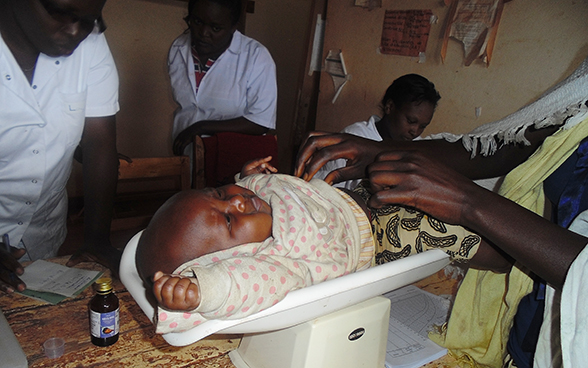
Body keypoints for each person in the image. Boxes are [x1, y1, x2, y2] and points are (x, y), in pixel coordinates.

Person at [294, 56, 588, 368]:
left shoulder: (406, 223)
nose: (416, 131)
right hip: (530, 318)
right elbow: (499, 148)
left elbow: (507, 259)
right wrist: (383, 152)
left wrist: (468, 203)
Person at [136, 157, 493, 334]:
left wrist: (249, 176)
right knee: (448, 228)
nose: (238, 201)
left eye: (218, 194)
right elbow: (238, 286)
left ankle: (488, 203)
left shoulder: (254, 197)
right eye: (229, 221)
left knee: (416, 175)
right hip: (381, 236)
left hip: (354, 198)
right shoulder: (277, 261)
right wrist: (202, 292)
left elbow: (246, 190)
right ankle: (503, 254)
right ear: (233, 257)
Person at [0, 0, 121, 294]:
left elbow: (100, 143)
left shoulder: (89, 42)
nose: (75, 31)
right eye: (60, 14)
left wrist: (97, 240)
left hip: (43, 233)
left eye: (90, 20)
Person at [169, 0, 277, 156]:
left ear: (233, 27)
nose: (204, 33)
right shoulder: (178, 48)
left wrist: (201, 127)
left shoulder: (256, 57)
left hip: (231, 158)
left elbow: (260, 122)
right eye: (198, 22)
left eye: (215, 28)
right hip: (186, 154)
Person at [315, 73, 440, 190]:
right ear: (390, 107)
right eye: (411, 121)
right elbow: (326, 187)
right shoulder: (355, 137)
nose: (415, 131)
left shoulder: (418, 148)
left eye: (423, 126)